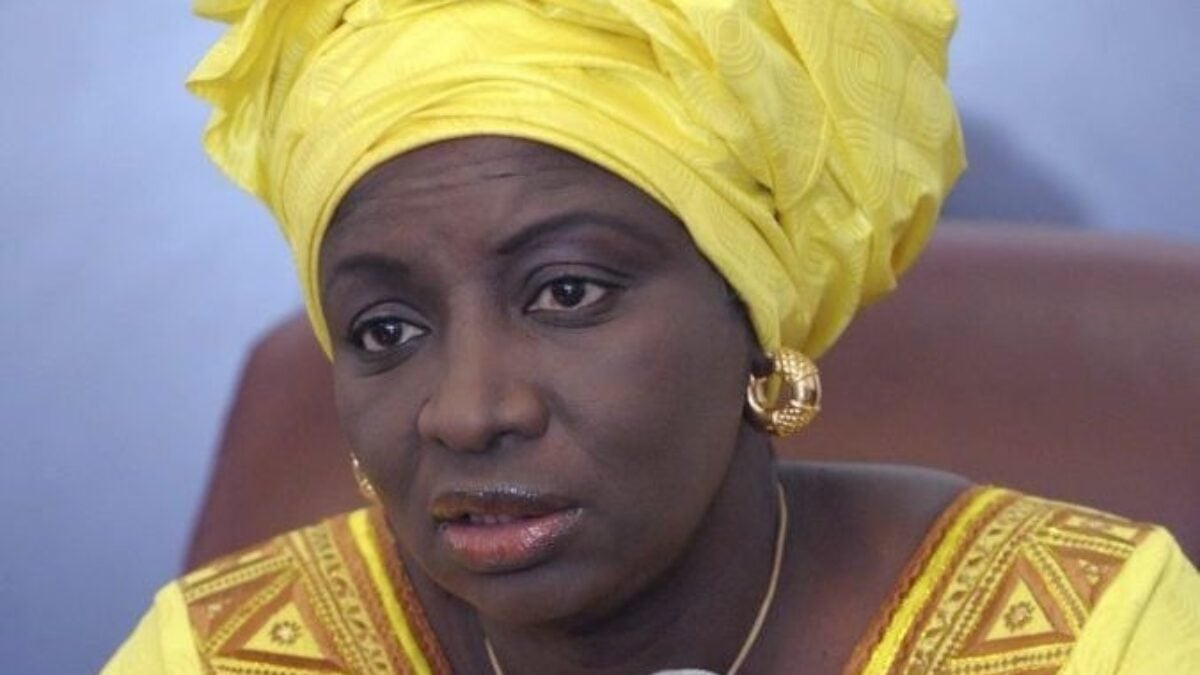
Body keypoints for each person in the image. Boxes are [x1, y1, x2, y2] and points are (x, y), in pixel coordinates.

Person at [105, 0, 1200, 672]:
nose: (469, 411)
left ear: (751, 316)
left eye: (566, 292)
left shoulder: (1091, 638)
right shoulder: (219, 653)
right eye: (385, 328)